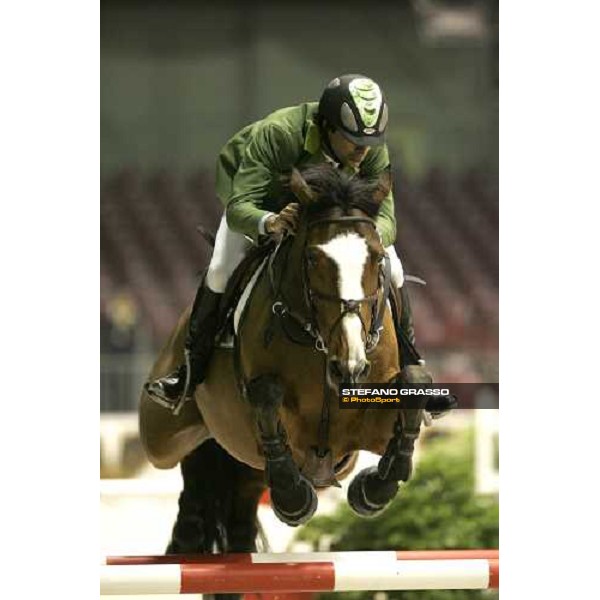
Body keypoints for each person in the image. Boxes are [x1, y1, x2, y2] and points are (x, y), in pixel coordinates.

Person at [146, 74, 453, 417]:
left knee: (392, 267)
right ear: (328, 127)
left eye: (368, 142)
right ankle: (189, 372)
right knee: (220, 270)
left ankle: (412, 363)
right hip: (260, 199)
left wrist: (367, 239)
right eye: (353, 141)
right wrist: (270, 221)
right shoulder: (279, 134)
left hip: (326, 212)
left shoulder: (370, 149)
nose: (363, 151)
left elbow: (387, 220)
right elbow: (239, 207)